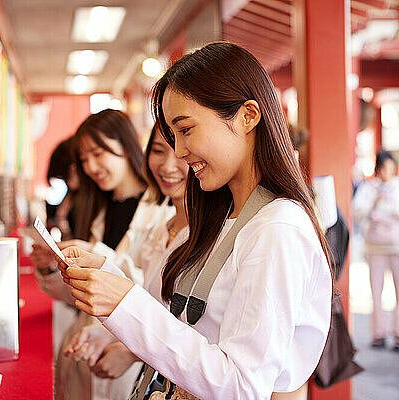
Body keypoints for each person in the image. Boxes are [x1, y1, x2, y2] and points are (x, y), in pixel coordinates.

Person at [56, 42, 333, 399]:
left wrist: (124, 302)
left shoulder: (277, 228)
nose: (180, 152)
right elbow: (178, 319)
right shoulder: (220, 217)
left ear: (248, 116)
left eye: (185, 130)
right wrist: (109, 279)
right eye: (172, 136)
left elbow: (241, 385)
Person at [32, 109, 151, 400]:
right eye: (84, 159)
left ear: (125, 145)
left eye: (98, 154)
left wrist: (96, 254)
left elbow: (154, 290)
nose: (91, 166)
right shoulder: (96, 208)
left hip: (128, 353)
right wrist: (53, 267)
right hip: (85, 343)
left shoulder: (159, 210)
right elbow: (80, 295)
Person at [63, 123, 189, 392]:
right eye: (158, 151)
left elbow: (184, 323)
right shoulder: (156, 227)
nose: (168, 165)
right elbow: (151, 299)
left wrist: (130, 350)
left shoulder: (170, 216)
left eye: (98, 154)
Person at [353, 150, 399, 351]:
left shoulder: (397, 187)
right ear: (378, 169)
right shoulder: (368, 188)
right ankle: (378, 333)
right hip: (375, 247)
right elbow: (358, 212)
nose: (387, 172)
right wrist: (374, 205)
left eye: (390, 168)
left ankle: (397, 333)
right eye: (384, 168)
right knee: (376, 290)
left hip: (396, 246)